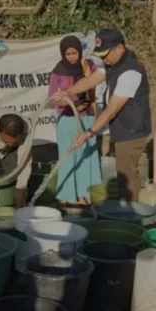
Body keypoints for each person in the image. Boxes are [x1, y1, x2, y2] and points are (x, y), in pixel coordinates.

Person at [51, 28, 151, 202]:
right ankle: (124, 209)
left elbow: (112, 110)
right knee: (122, 173)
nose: (104, 59)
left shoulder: (130, 72)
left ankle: (130, 215)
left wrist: (89, 132)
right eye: (101, 56)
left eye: (106, 55)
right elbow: (91, 80)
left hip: (132, 129)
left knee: (126, 175)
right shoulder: (113, 62)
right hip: (122, 126)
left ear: (119, 48)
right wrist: (68, 92)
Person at [48, 35, 102, 205]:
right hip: (66, 118)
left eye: (74, 53)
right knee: (67, 156)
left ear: (79, 52)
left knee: (86, 157)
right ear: (63, 53)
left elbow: (96, 83)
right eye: (68, 53)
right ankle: (65, 195)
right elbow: (52, 97)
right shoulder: (58, 71)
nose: (72, 56)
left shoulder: (88, 67)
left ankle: (84, 194)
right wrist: (71, 103)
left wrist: (83, 105)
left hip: (87, 119)